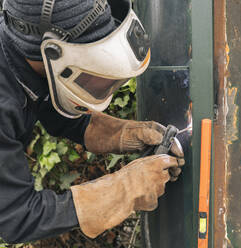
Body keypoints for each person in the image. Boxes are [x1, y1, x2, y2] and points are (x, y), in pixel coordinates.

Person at [0, 0, 184, 243]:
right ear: (52, 52)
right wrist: (123, 189)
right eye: (91, 77)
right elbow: (15, 217)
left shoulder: (22, 50)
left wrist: (121, 133)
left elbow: (56, 109)